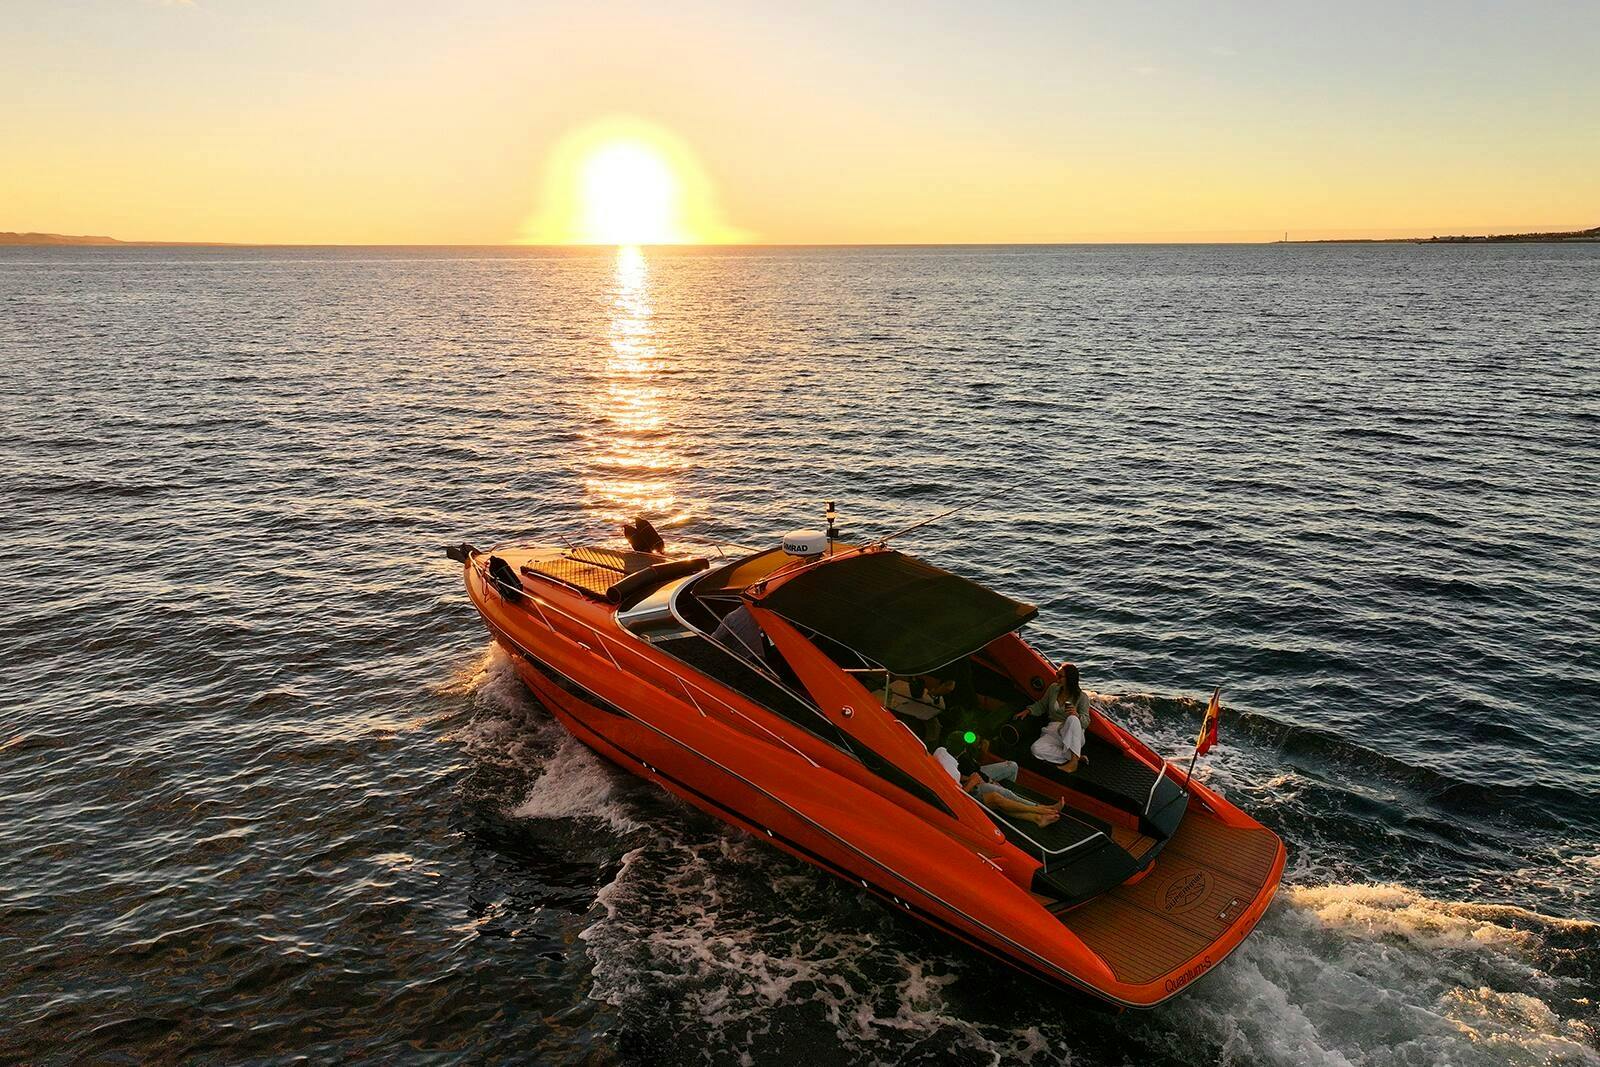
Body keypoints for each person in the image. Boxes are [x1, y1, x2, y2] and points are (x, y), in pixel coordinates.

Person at [957, 754, 1063, 825]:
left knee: (1012, 766)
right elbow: (956, 795)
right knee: (998, 794)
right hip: (968, 787)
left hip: (974, 774)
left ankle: (1010, 805)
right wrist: (972, 781)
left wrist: (979, 776)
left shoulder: (950, 754)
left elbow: (967, 770)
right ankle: (1039, 809)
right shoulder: (945, 767)